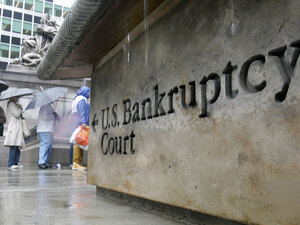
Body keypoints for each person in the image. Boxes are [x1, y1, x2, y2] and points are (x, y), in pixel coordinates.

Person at [71, 86, 90, 171]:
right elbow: (82, 111)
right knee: (79, 142)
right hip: (80, 123)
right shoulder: (82, 99)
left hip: (76, 122)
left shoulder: (77, 99)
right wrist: (83, 122)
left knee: (78, 141)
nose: (89, 95)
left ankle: (76, 163)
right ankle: (76, 163)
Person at [4, 97, 24, 169]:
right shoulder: (11, 104)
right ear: (12, 97)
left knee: (17, 146)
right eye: (17, 97)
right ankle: (11, 163)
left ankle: (16, 162)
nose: (18, 98)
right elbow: (17, 114)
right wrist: (20, 108)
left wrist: (19, 108)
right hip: (13, 128)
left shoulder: (15, 105)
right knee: (13, 146)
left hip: (17, 128)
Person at [37, 103, 57, 169]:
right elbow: (44, 117)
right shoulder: (45, 106)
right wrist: (53, 116)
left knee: (48, 146)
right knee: (45, 145)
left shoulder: (47, 106)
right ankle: (41, 162)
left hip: (47, 129)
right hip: (45, 129)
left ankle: (45, 162)